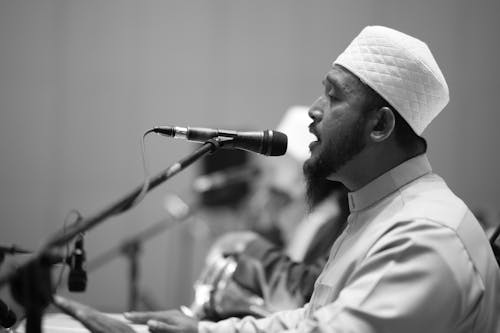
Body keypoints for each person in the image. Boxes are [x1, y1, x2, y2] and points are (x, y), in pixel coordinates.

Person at [123, 25, 500, 332]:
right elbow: (312, 320)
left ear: (381, 125)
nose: (314, 111)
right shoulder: (375, 214)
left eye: (334, 97)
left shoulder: (425, 234)